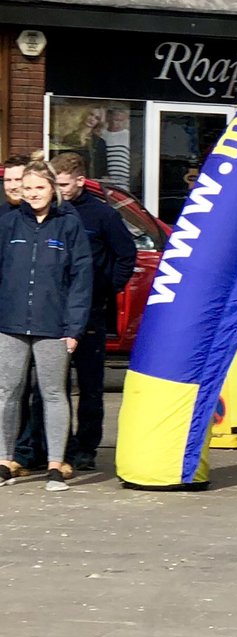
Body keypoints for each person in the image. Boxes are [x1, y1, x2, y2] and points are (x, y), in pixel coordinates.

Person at [38, 153, 135, 471]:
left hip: (91, 309)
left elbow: (126, 254)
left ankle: (87, 447)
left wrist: (108, 289)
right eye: (56, 183)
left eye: (64, 184)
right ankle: (58, 445)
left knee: (91, 384)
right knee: (56, 383)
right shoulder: (52, 213)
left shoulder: (102, 215)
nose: (59, 189)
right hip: (55, 310)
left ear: (80, 181)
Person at [0, 162, 92, 493]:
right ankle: (5, 461)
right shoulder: (9, 224)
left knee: (53, 393)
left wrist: (74, 327)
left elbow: (81, 278)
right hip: (9, 323)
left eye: (39, 187)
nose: (33, 194)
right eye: (27, 189)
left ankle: (55, 464)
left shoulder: (69, 225)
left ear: (52, 189)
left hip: (54, 326)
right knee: (7, 392)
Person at [102, 106, 133, 191]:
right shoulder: (102, 135)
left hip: (123, 181)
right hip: (106, 181)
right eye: (116, 120)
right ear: (109, 119)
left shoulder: (128, 135)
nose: (117, 123)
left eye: (121, 121)